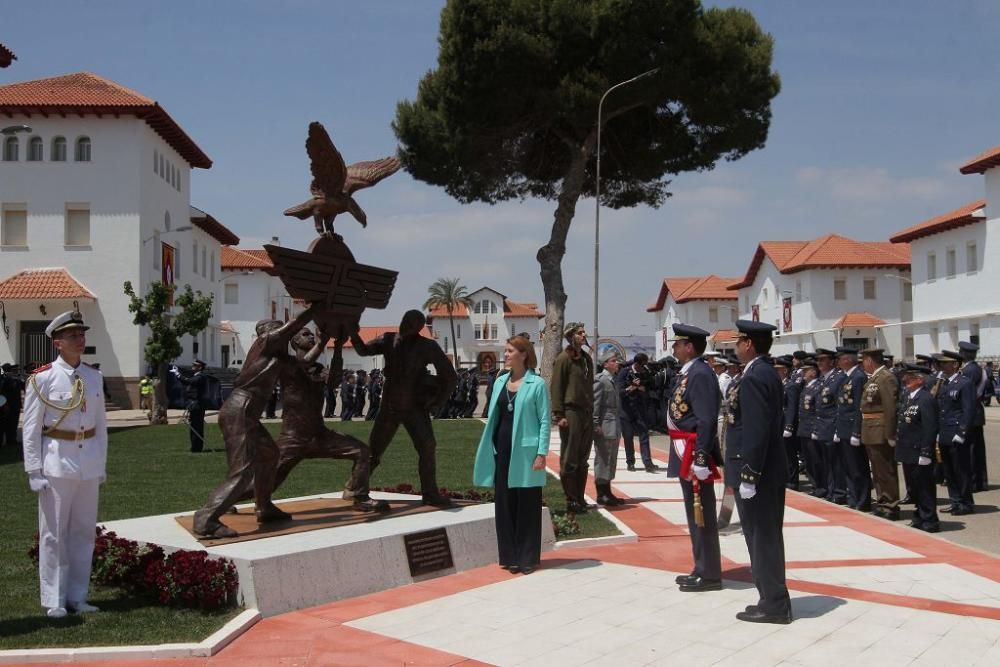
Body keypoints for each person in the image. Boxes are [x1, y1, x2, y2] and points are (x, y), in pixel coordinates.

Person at [192, 307, 318, 538]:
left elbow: (305, 362)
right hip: (239, 409)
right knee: (242, 471)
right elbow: (293, 325)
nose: (284, 332)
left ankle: (264, 506)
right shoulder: (264, 343)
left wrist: (329, 339)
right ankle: (206, 519)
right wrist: (317, 307)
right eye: (278, 328)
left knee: (270, 455)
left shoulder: (279, 358)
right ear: (267, 332)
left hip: (248, 413)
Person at [22, 310, 108, 618]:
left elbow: (101, 425)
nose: (80, 339)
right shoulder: (42, 379)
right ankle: (54, 599)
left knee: (84, 531)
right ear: (57, 343)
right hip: (57, 461)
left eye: (82, 334)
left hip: (87, 462)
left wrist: (101, 464)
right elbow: (31, 428)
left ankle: (77, 596)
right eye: (73, 336)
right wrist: (34, 470)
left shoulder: (93, 376)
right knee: (54, 533)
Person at [268, 327, 386, 512]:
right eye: (305, 334)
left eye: (311, 334)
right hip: (295, 438)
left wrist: (338, 347)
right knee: (267, 483)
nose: (311, 337)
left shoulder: (318, 368)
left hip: (319, 434)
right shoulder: (289, 364)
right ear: (295, 341)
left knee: (362, 451)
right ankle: (220, 505)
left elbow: (333, 381)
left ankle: (358, 495)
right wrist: (324, 341)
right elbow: (303, 365)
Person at [350, 310, 458, 506]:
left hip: (415, 407)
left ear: (419, 329)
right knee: (373, 451)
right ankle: (355, 489)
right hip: (390, 406)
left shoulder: (427, 346)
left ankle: (430, 493)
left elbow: (450, 377)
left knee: (427, 446)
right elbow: (363, 351)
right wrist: (351, 331)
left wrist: (437, 402)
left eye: (412, 325)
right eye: (405, 321)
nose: (406, 326)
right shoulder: (387, 339)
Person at [726, 321, 792, 624]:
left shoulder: (755, 376)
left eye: (739, 340)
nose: (736, 346)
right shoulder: (763, 371)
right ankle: (770, 597)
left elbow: (756, 429)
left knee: (761, 536)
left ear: (749, 343)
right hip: (765, 468)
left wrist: (749, 473)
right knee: (763, 536)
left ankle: (774, 603)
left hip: (758, 472)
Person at [473, 335, 550, 574]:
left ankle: (527, 558)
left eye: (509, 351)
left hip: (527, 453)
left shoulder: (536, 384)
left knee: (527, 504)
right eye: (504, 351)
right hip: (501, 450)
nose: (504, 355)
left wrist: (541, 453)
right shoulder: (499, 382)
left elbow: (545, 420)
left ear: (523, 354)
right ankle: (509, 556)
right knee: (504, 504)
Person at [667, 324, 722, 593]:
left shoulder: (700, 374)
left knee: (702, 513)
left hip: (693, 451)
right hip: (683, 448)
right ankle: (701, 566)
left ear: (689, 347)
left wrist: (701, 458)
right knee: (693, 512)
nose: (673, 348)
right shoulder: (687, 373)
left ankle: (709, 573)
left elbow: (705, 419)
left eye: (677, 343)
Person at [549, 322, 595, 514]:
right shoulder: (564, 359)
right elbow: (556, 387)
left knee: (583, 457)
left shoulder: (586, 359)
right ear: (571, 336)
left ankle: (580, 497)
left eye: (584, 332)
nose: (583, 335)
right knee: (570, 457)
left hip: (586, 413)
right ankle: (571, 500)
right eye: (579, 333)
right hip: (571, 412)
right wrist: (558, 414)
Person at [896, 364, 939, 533]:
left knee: (925, 487)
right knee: (914, 487)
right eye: (905, 376)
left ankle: (930, 519)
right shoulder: (909, 397)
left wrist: (926, 451)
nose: (905, 379)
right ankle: (919, 515)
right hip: (908, 450)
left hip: (919, 450)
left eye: (910, 377)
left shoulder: (925, 399)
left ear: (920, 380)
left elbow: (930, 427)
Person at [860, 349, 900, 520]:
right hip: (871, 429)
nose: (863, 364)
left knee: (885, 469)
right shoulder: (875, 378)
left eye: (864, 360)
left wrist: (890, 434)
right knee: (877, 470)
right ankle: (882, 500)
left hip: (880, 430)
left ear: (870, 361)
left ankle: (891, 504)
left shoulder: (885, 377)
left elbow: (891, 408)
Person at [935, 350, 976, 515]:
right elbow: (942, 410)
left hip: (957, 433)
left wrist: (962, 432)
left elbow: (968, 410)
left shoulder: (964, 383)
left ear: (955, 364)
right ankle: (955, 501)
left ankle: (966, 503)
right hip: (945, 432)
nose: (942, 366)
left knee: (961, 470)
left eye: (945, 363)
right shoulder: (945, 383)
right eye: (941, 363)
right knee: (949, 471)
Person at [834, 347, 871, 511]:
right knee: (848, 466)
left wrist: (857, 431)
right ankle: (853, 497)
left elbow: (858, 407)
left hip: (852, 429)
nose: (839, 362)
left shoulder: (858, 377)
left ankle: (862, 500)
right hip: (843, 427)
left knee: (858, 467)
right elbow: (841, 405)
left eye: (840, 359)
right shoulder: (846, 377)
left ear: (847, 360)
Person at [813, 349, 846, 504]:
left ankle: (839, 492)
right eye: (818, 360)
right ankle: (831, 489)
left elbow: (839, 406)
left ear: (832, 361)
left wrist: (838, 429)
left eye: (823, 360)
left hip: (832, 425)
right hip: (822, 426)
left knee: (836, 462)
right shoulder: (822, 379)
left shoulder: (838, 378)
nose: (819, 363)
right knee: (827, 461)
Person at [592, 349, 624, 506]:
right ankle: (601, 493)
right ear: (605, 364)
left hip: (614, 424)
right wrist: (596, 424)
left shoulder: (613, 379)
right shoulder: (601, 380)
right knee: (603, 459)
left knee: (611, 460)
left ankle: (608, 492)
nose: (616, 363)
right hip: (604, 425)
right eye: (613, 360)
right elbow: (595, 404)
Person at [618, 353, 658, 473]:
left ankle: (647, 462)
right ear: (636, 363)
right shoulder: (624, 372)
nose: (643, 368)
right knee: (628, 437)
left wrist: (643, 388)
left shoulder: (645, 372)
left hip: (640, 409)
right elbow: (619, 392)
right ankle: (630, 462)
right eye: (641, 366)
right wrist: (632, 387)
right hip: (626, 411)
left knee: (644, 435)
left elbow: (653, 387)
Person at [959, 342, 988, 492]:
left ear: (965, 354)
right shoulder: (972, 368)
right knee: (975, 449)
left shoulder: (970, 370)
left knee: (972, 450)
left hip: (972, 413)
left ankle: (975, 481)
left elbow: (967, 392)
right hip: (975, 412)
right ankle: (979, 480)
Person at [796, 359, 823, 496]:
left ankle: (820, 486)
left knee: (816, 460)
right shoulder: (806, 386)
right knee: (808, 461)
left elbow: (817, 410)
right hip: (804, 428)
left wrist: (815, 429)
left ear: (813, 372)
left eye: (806, 371)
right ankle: (815, 486)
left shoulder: (818, 387)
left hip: (812, 428)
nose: (803, 373)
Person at [775, 356, 801, 490]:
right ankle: (785, 477)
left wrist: (789, 425)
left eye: (778, 369)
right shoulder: (780, 384)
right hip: (779, 422)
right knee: (783, 453)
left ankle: (793, 480)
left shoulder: (791, 386)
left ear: (785, 370)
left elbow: (792, 407)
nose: (776, 372)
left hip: (786, 423)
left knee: (790, 454)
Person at [172, 359, 208, 453]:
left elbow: (189, 381)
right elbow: (188, 376)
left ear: (200, 367)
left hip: (197, 405)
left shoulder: (200, 377)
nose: (193, 367)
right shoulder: (196, 375)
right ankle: (194, 447)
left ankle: (197, 448)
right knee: (193, 427)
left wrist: (178, 374)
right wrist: (178, 371)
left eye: (195, 366)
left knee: (197, 427)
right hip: (193, 405)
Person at [1, 362, 25, 449]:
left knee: (13, 424)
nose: (15, 371)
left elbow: (24, 387)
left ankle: (12, 440)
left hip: (16, 405)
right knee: (5, 424)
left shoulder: (16, 379)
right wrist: (5, 405)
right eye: (13, 370)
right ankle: (6, 441)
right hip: (6, 406)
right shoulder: (4, 379)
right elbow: (2, 393)